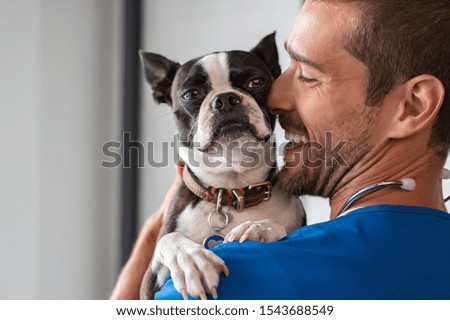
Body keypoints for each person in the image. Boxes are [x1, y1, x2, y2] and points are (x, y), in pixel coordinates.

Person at [111, 0, 450, 299]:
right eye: (283, 70)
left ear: (412, 107)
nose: (274, 98)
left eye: (308, 75)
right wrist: (160, 229)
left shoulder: (226, 278)